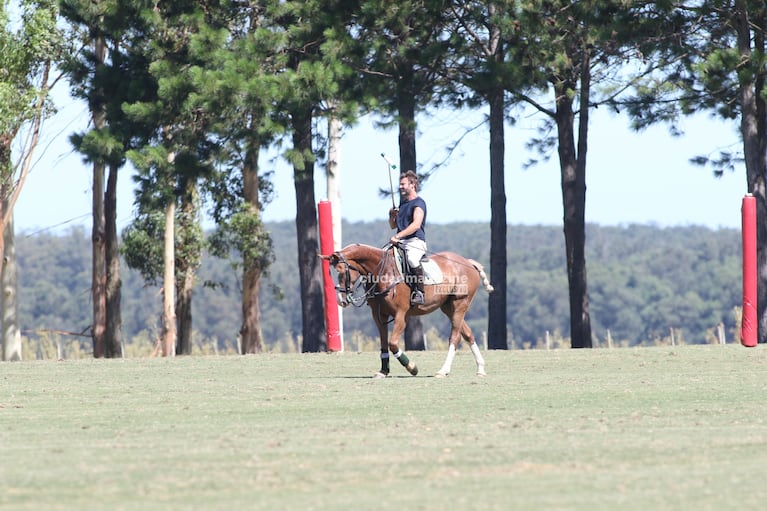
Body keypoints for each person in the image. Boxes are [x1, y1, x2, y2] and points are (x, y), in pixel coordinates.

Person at [389, 170, 427, 305]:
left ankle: (419, 292)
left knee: (411, 259)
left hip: (415, 241)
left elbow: (416, 225)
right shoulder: (403, 204)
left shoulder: (419, 203)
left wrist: (398, 236)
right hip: (401, 242)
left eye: (403, 184)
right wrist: (392, 215)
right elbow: (393, 226)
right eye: (400, 184)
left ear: (412, 185)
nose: (400, 187)